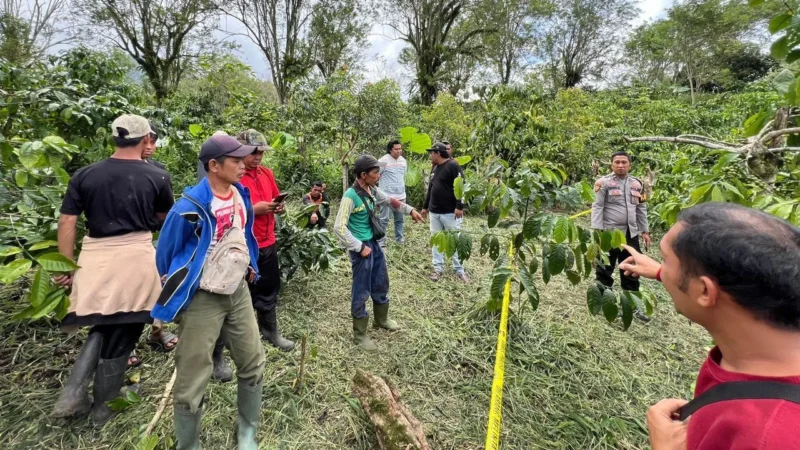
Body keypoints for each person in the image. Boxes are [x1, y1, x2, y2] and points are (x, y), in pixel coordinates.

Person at [616, 203, 800, 450]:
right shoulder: (766, 345)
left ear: (704, 290)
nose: (662, 267)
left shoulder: (769, 438)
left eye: (666, 260)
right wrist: (662, 272)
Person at [51, 114, 173, 424]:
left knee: (101, 321)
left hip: (95, 257)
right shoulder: (157, 177)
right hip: (135, 257)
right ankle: (104, 406)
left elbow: (67, 221)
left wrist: (65, 265)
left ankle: (72, 394)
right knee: (127, 326)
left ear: (115, 138)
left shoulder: (85, 175)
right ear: (147, 139)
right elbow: (164, 217)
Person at [152, 134, 265, 450]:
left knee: (253, 360)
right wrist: (180, 288)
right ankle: (189, 444)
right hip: (203, 296)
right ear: (213, 166)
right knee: (192, 376)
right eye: (235, 161)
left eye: (243, 160)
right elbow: (166, 254)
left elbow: (244, 235)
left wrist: (250, 263)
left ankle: (247, 432)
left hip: (237, 291)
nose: (243, 166)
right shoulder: (188, 208)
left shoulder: (240, 195)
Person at [334, 154, 423, 351]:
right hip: (361, 248)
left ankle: (381, 319)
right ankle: (360, 333)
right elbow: (339, 227)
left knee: (381, 281)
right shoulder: (350, 197)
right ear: (363, 175)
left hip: (373, 243)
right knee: (362, 289)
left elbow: (390, 200)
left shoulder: (372, 190)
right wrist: (359, 247)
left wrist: (410, 210)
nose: (379, 176)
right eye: (376, 173)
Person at [236, 129, 295, 352]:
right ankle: (234, 341)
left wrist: (278, 207)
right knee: (237, 292)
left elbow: (275, 198)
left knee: (269, 287)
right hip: (242, 243)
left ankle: (269, 331)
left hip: (267, 240)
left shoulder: (266, 173)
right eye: (253, 152)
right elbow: (225, 209)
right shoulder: (234, 176)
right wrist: (254, 209)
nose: (258, 156)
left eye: (261, 151)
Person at [591, 151, 651, 321]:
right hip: (609, 234)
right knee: (604, 269)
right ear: (611, 165)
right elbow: (597, 207)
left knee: (632, 270)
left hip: (630, 235)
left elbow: (641, 208)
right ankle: (604, 303)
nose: (620, 165)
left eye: (624, 162)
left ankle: (633, 306)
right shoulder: (603, 183)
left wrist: (645, 231)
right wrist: (597, 232)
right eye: (617, 162)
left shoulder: (637, 184)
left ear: (629, 165)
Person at [139, 121, 178, 360]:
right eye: (147, 141)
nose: (150, 146)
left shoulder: (159, 171)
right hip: (130, 240)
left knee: (158, 284)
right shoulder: (118, 170)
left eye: (153, 142)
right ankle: (126, 345)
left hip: (154, 237)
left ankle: (157, 331)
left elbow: (168, 210)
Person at [421, 142, 468, 282]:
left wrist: (459, 206)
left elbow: (462, 185)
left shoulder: (453, 166)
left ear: (438, 153)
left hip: (450, 212)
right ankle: (437, 269)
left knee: (454, 240)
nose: (430, 156)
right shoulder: (435, 167)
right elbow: (431, 188)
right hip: (435, 212)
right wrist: (425, 207)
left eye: (432, 153)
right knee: (436, 240)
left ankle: (459, 270)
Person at [377, 140, 407, 246]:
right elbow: (375, 175)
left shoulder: (403, 161)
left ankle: (399, 240)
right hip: (386, 196)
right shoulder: (382, 161)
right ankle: (381, 241)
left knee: (399, 220)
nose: (399, 151)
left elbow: (403, 176)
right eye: (396, 149)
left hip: (401, 196)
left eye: (400, 149)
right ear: (390, 150)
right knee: (384, 219)